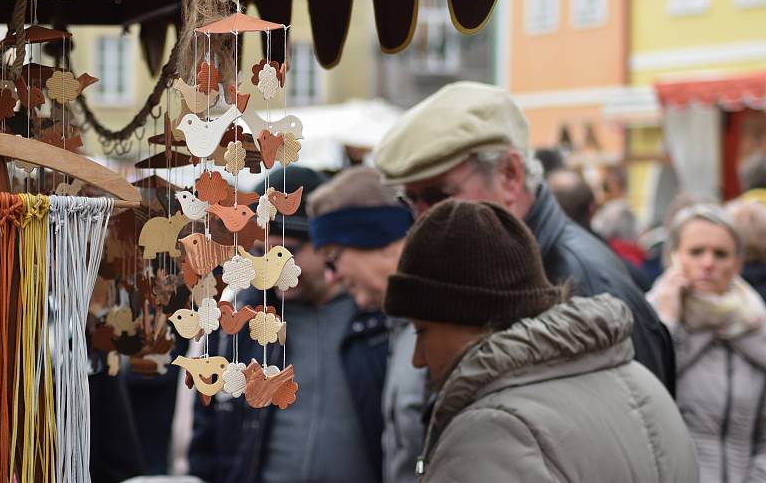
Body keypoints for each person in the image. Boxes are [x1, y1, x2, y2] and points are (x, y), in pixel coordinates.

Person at [374, 81, 675, 393]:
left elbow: (630, 430)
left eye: (439, 196)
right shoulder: (493, 270)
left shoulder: (586, 282)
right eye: (410, 201)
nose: (422, 218)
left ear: (510, 176)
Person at [382, 199, 698, 482]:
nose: (418, 358)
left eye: (422, 331)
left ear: (471, 320)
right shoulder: (642, 382)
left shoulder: (491, 433)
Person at [189, 166, 388, 483]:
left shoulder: (377, 320)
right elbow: (205, 431)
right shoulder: (236, 320)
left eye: (287, 252)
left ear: (327, 246)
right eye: (259, 252)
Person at [307, 166, 423, 483]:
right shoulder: (401, 324)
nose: (332, 276)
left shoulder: (438, 324)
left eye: (333, 257)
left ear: (382, 241)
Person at [648, 204, 766, 482]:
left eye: (721, 254)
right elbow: (645, 401)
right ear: (674, 257)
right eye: (696, 252)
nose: (708, 263)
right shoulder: (650, 321)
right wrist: (669, 322)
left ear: (738, 263)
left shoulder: (754, 322)